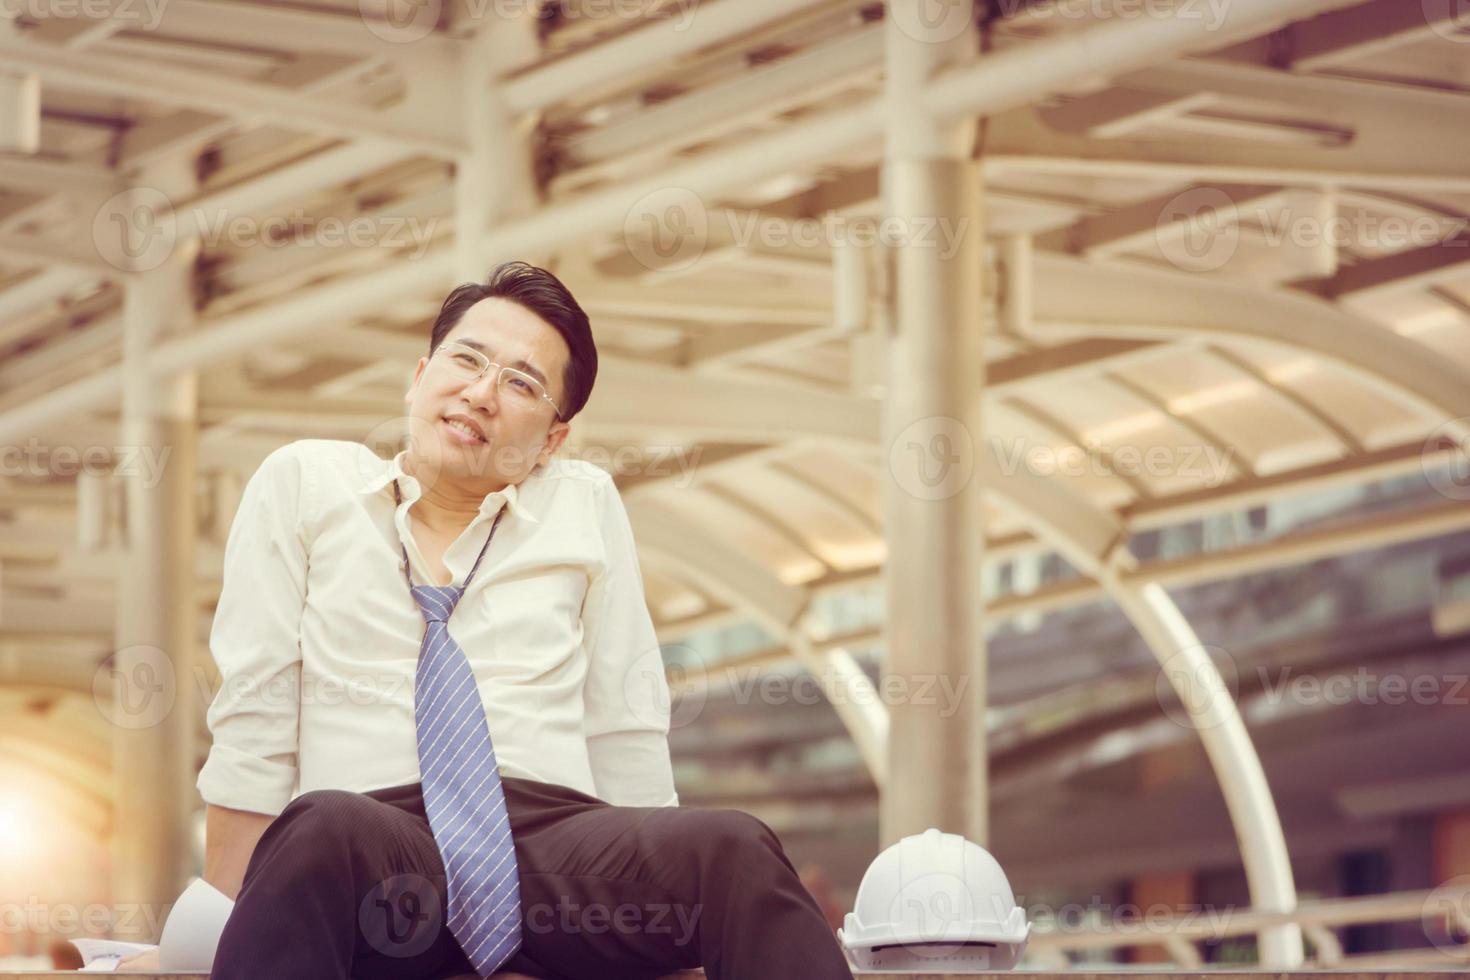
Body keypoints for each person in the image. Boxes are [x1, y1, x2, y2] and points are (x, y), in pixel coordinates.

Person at [180, 262, 854, 980]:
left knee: (734, 846)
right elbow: (255, 711)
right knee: (322, 827)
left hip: (553, 848)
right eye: (466, 360)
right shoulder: (305, 483)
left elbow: (624, 722)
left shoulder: (582, 503)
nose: (480, 393)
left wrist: (661, 899)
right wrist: (219, 922)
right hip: (375, 853)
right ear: (419, 375)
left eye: (522, 383)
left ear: (554, 438)